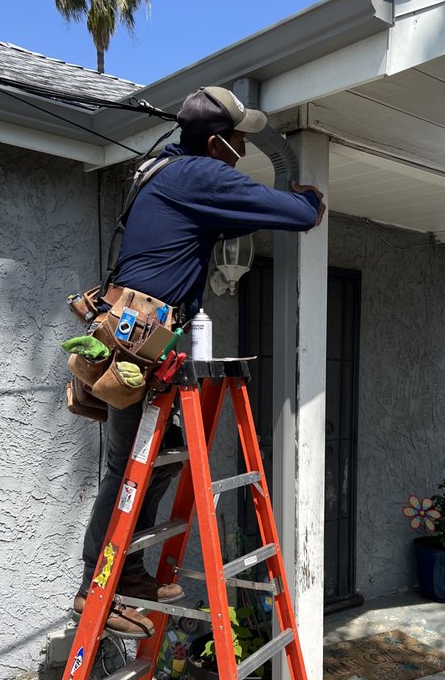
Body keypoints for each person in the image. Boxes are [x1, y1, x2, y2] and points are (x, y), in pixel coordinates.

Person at [74, 85, 325, 636]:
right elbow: (296, 214)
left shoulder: (162, 171)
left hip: (134, 333)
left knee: (161, 451)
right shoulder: (202, 176)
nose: (242, 146)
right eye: (237, 138)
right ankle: (99, 584)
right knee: (125, 469)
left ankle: (130, 570)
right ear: (217, 143)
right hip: (139, 341)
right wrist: (307, 200)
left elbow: (225, 221)